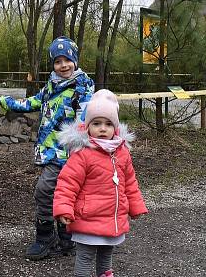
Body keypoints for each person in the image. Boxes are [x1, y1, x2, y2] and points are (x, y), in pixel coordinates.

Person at [0, 36, 94, 260]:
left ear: (75, 61)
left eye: (67, 60)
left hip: (68, 152)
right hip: (50, 150)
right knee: (61, 193)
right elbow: (33, 102)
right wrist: (9, 102)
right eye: (58, 61)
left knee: (45, 191)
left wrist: (79, 147)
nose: (63, 65)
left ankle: (45, 237)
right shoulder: (51, 86)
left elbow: (86, 118)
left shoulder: (82, 88)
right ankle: (65, 239)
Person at [53, 89, 148, 277]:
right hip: (87, 218)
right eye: (96, 123)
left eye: (108, 124)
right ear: (87, 126)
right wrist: (64, 208)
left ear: (116, 128)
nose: (102, 128)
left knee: (106, 255)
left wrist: (136, 206)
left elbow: (130, 182)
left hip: (112, 219)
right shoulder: (82, 154)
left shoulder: (122, 153)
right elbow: (67, 183)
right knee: (85, 256)